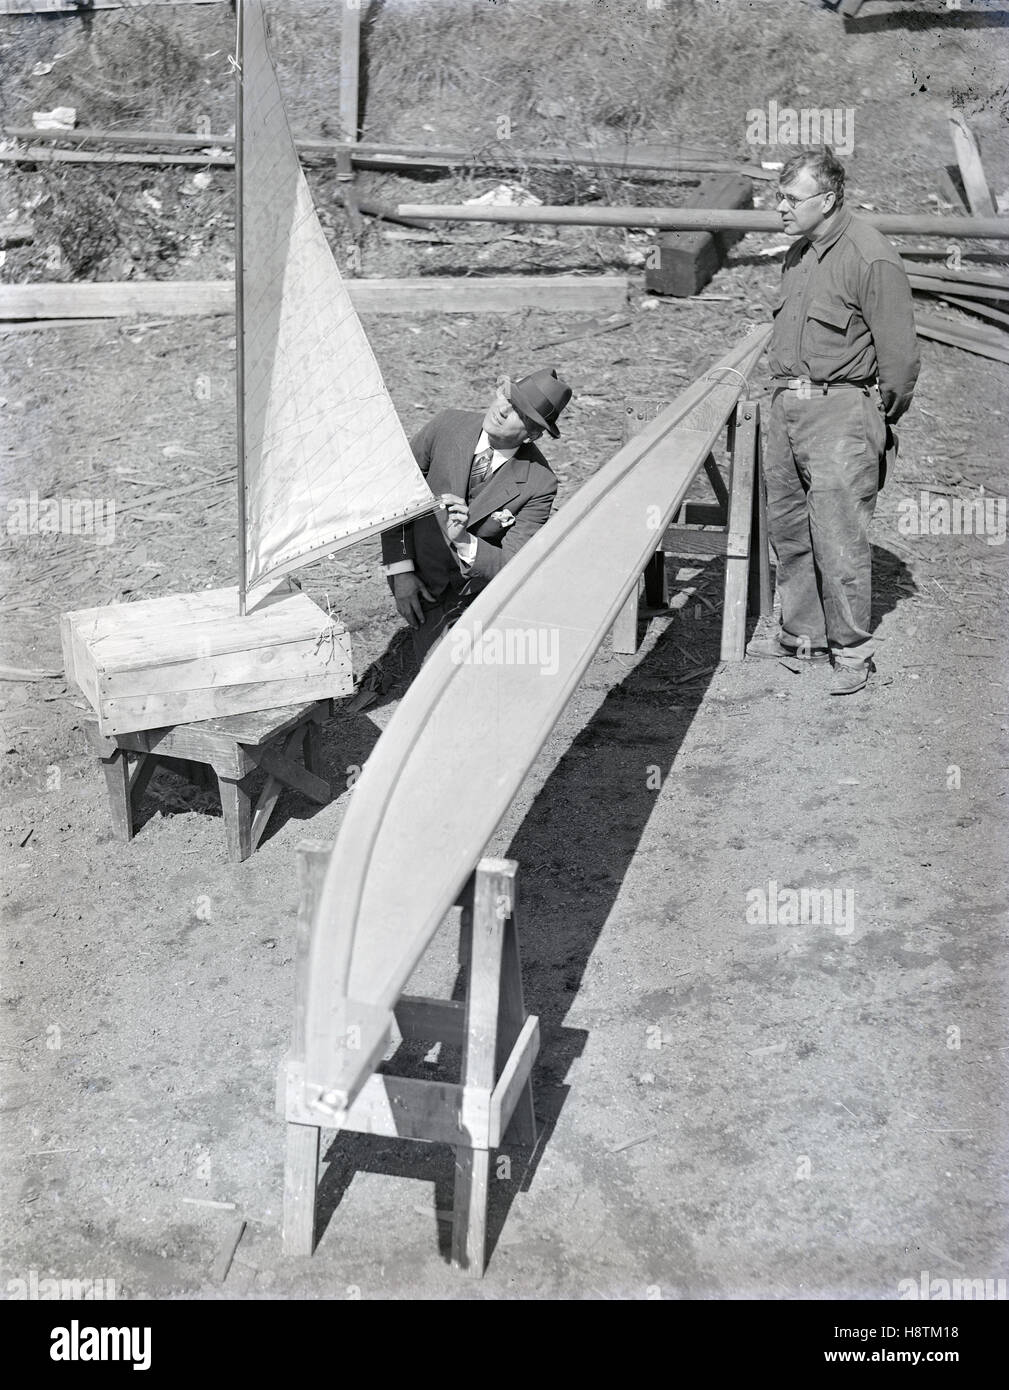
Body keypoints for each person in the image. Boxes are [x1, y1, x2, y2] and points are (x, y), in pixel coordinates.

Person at [747, 145, 919, 694]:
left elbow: (899, 360)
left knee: (840, 535)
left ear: (828, 198)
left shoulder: (870, 257)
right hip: (787, 406)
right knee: (791, 529)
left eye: (791, 198)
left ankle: (851, 651)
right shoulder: (798, 254)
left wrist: (868, 416)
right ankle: (805, 636)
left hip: (840, 411)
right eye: (779, 196)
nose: (780, 207)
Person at [382, 368, 573, 662]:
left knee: (496, 670)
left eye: (520, 414)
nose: (503, 411)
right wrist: (401, 572)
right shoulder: (446, 426)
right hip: (422, 581)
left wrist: (463, 541)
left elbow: (512, 564)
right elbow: (394, 492)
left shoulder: (539, 482)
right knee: (440, 674)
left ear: (532, 435)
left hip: (475, 593)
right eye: (509, 399)